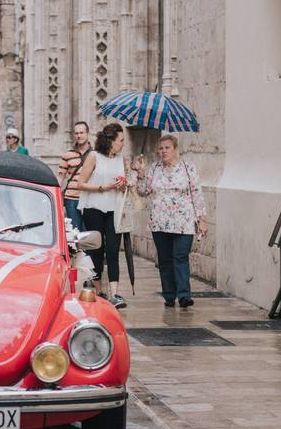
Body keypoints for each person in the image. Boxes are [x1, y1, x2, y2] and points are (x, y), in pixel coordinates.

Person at [134, 134, 208, 308]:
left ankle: (184, 295)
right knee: (165, 259)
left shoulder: (187, 168)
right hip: (160, 221)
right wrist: (141, 174)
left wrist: (202, 220)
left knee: (180, 257)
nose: (163, 151)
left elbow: (197, 194)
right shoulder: (154, 168)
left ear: (175, 149)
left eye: (167, 148)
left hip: (184, 221)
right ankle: (169, 295)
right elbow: (143, 191)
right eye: (160, 148)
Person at [75, 123, 135, 309]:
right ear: (110, 140)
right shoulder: (94, 157)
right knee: (97, 251)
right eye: (120, 141)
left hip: (114, 209)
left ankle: (115, 293)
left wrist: (123, 184)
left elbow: (124, 186)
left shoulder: (120, 159)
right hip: (94, 208)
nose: (122, 144)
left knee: (113, 250)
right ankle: (100, 290)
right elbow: (80, 183)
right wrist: (104, 188)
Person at [58, 121, 92, 231]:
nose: (79, 136)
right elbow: (60, 177)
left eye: (81, 132)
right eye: (76, 133)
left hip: (89, 198)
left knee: (88, 231)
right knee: (75, 230)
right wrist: (56, 196)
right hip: (71, 198)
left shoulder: (95, 154)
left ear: (87, 133)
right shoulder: (67, 155)